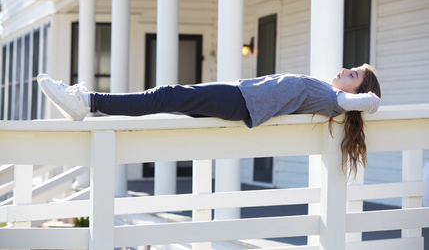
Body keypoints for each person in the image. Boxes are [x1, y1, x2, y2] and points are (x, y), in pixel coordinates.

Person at [37, 63, 381, 177]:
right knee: (168, 98)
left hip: (240, 101)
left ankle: (86, 101)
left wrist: (365, 99)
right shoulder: (328, 94)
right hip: (240, 97)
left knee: (167, 94)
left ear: (356, 88)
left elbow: (361, 101)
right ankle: (88, 101)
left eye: (352, 73)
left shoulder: (334, 99)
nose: (344, 70)